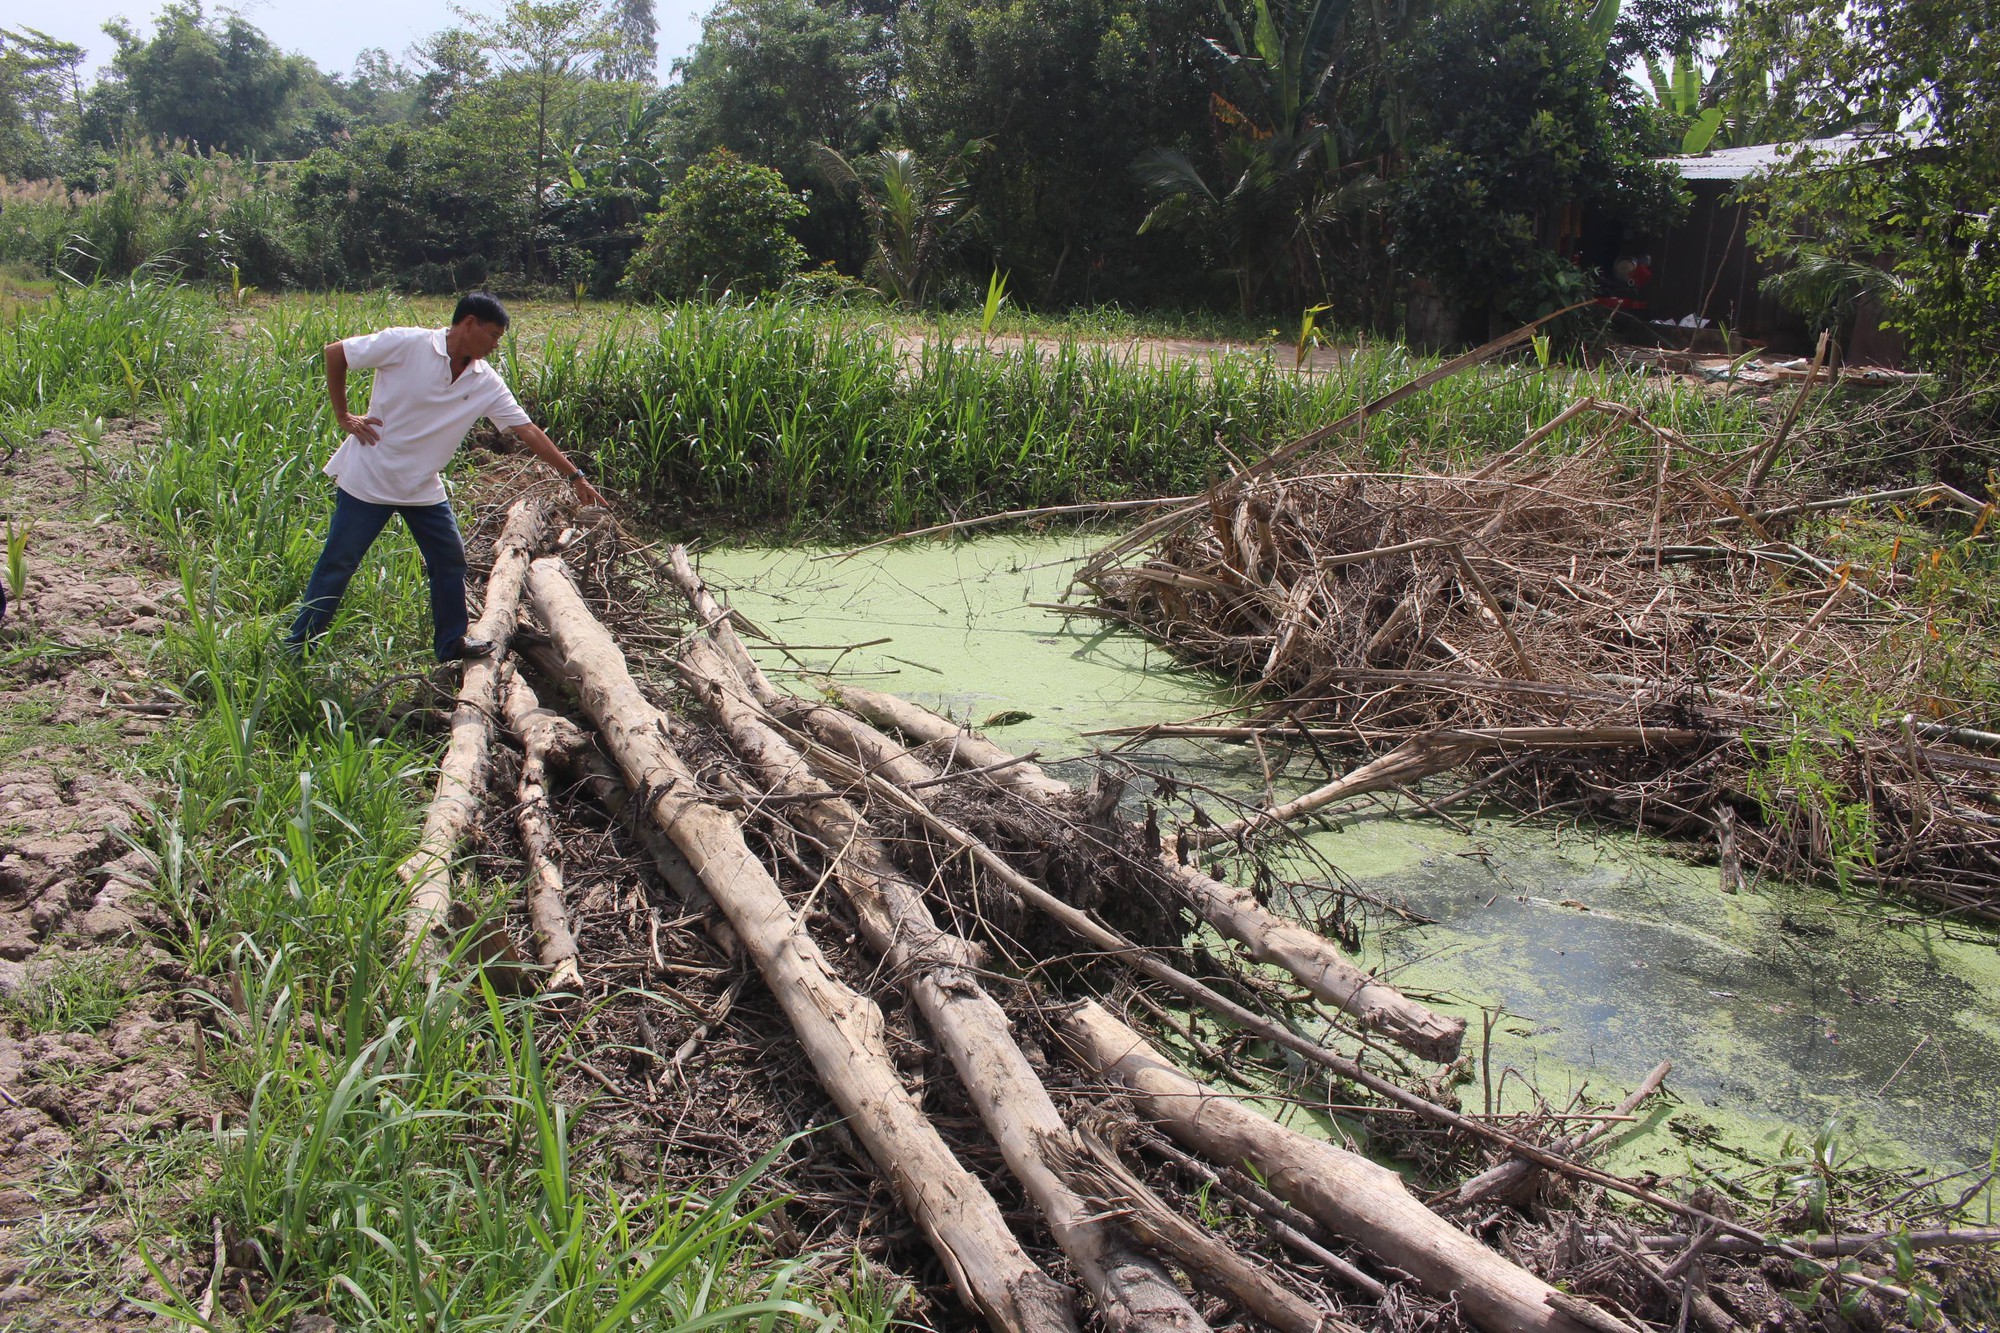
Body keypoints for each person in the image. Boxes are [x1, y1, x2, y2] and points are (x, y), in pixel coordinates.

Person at [286, 292, 607, 661]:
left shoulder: (484, 381)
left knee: (449, 561)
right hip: (369, 480)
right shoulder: (407, 344)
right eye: (491, 336)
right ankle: (299, 646)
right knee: (338, 563)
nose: (494, 346)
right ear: (468, 323)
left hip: (422, 487)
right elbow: (336, 352)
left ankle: (451, 644)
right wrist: (343, 415)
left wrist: (575, 475)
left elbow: (527, 430)